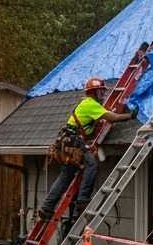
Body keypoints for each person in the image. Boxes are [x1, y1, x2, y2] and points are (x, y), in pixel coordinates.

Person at [38, 78, 134, 220]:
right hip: (74, 140)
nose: (102, 95)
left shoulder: (86, 104)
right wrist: (131, 116)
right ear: (94, 93)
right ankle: (83, 200)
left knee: (66, 175)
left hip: (66, 141)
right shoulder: (90, 104)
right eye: (101, 92)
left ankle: (47, 207)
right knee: (91, 165)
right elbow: (111, 117)